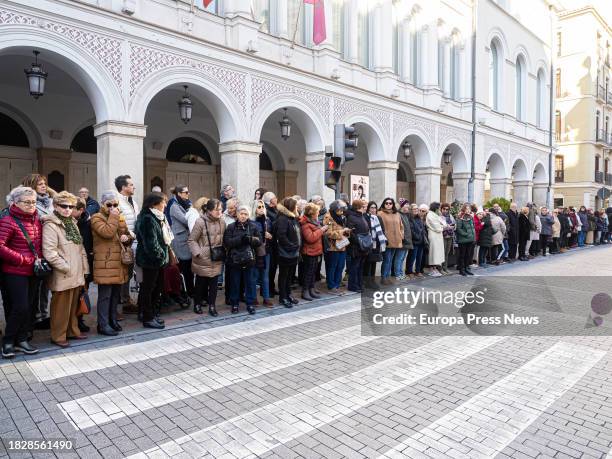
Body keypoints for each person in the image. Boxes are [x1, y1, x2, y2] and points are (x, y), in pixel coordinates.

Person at [42, 191, 89, 348]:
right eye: (64, 206)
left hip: (76, 271)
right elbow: (50, 252)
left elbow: (80, 248)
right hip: (63, 273)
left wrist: (84, 268)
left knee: (73, 305)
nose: (68, 209)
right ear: (55, 206)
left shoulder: (72, 223)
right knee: (60, 307)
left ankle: (72, 331)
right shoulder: (51, 225)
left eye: (71, 206)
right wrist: (67, 268)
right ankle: (58, 335)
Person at [0, 186, 42, 358]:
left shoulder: (36, 219)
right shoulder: (8, 220)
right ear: (15, 202)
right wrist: (21, 259)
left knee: (29, 307)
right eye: (27, 202)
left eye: (34, 202)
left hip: (33, 270)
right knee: (20, 306)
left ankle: (22, 340)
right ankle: (8, 342)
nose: (31, 205)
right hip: (13, 271)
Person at [91, 190, 133, 336]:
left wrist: (126, 238)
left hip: (119, 262)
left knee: (116, 294)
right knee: (105, 296)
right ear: (103, 204)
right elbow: (107, 232)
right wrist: (115, 215)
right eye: (110, 204)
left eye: (116, 204)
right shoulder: (96, 218)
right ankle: (103, 325)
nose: (113, 207)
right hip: (106, 262)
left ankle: (112, 320)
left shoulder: (119, 217)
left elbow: (128, 235)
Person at [135, 192, 170, 329]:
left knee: (155, 288)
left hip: (158, 261)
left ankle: (149, 313)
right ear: (154, 203)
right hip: (150, 260)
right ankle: (147, 318)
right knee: (148, 289)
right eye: (163, 202)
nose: (165, 204)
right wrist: (161, 255)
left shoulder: (158, 216)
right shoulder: (148, 218)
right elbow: (151, 243)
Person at [21, 174, 53, 324]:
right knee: (37, 283)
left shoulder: (51, 201)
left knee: (46, 283)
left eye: (44, 183)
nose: (43, 186)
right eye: (39, 184)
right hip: (36, 247)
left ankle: (44, 313)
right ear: (32, 186)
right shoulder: (27, 202)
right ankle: (36, 315)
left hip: (51, 245)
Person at [188, 199, 225, 316]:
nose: (219, 212)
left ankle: (212, 306)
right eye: (216, 210)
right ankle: (197, 304)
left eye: (220, 209)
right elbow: (191, 240)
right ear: (209, 210)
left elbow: (225, 239)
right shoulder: (200, 222)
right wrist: (198, 253)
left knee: (214, 285)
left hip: (217, 257)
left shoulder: (222, 222)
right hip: (202, 259)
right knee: (200, 284)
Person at [223, 205, 262, 314]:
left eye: (246, 214)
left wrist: (250, 239)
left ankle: (250, 304)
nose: (243, 216)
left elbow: (259, 241)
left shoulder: (253, 226)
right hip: (234, 260)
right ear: (237, 214)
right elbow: (227, 242)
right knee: (235, 283)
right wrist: (240, 239)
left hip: (249, 259)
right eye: (241, 214)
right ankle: (234, 304)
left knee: (249, 283)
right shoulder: (231, 227)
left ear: (248, 215)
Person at [115, 175, 139, 314]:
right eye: (130, 185)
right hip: (122, 243)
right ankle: (119, 303)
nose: (133, 187)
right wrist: (125, 236)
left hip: (132, 242)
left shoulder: (133, 202)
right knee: (121, 274)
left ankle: (126, 300)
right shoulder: (117, 202)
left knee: (128, 273)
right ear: (123, 187)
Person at [274, 198, 301, 308]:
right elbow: (281, 236)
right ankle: (283, 297)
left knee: (290, 275)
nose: (297, 207)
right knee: (284, 275)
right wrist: (291, 246)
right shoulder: (283, 219)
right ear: (291, 207)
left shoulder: (293, 218)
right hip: (285, 253)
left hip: (294, 252)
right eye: (296, 206)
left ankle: (288, 294)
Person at [168, 185, 194, 299]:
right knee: (183, 266)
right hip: (180, 240)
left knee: (188, 267)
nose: (188, 194)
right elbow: (185, 220)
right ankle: (182, 292)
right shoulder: (174, 206)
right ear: (179, 193)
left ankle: (189, 290)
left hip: (187, 239)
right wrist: (191, 211)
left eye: (188, 192)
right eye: (186, 192)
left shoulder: (186, 204)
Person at [73, 198, 93, 333]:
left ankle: (79, 320)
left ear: (81, 210)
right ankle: (73, 322)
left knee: (82, 292)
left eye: (72, 208)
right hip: (73, 263)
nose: (68, 210)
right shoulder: (68, 222)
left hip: (86, 262)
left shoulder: (88, 222)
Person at [299, 202, 326, 301]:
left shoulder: (314, 222)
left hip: (315, 251)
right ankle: (305, 291)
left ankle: (311, 288)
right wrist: (321, 230)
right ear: (312, 213)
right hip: (309, 252)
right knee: (308, 272)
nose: (318, 213)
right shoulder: (305, 224)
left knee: (313, 272)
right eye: (317, 212)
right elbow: (310, 238)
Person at [323, 200, 350, 294]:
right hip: (332, 247)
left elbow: (343, 229)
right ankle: (331, 285)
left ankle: (337, 285)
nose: (342, 212)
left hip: (342, 245)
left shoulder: (341, 217)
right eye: (340, 210)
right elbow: (328, 233)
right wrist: (342, 232)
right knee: (332, 266)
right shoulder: (328, 217)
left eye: (342, 210)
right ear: (334, 209)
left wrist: (347, 232)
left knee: (341, 266)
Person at [251, 199, 273, 306]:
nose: (261, 209)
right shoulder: (251, 221)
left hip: (266, 251)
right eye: (259, 207)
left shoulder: (267, 221)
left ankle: (266, 297)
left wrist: (270, 236)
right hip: (255, 251)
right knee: (254, 275)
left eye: (262, 207)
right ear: (254, 209)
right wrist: (262, 234)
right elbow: (252, 235)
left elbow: (273, 234)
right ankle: (253, 297)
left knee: (265, 275)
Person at [345, 199, 370, 292]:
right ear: (358, 207)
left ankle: (359, 284)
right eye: (364, 206)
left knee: (360, 266)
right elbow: (350, 233)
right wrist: (359, 241)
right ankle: (353, 286)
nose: (365, 208)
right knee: (354, 266)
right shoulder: (351, 217)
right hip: (356, 246)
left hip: (363, 246)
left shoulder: (361, 216)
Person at [377, 198, 404, 285]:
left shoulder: (397, 214)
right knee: (387, 259)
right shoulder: (380, 214)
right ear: (384, 204)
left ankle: (387, 277)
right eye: (386, 203)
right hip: (386, 240)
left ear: (393, 204)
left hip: (396, 240)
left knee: (390, 259)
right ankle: (384, 277)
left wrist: (401, 235)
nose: (388, 205)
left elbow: (401, 226)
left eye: (390, 203)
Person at [363, 201, 386, 289]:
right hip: (369, 244)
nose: (373, 209)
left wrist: (381, 241)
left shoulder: (378, 218)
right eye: (371, 207)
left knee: (374, 263)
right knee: (367, 264)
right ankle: (366, 281)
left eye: (375, 208)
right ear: (368, 208)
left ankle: (372, 281)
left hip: (377, 244)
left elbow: (382, 230)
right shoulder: (365, 217)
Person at [263, 192, 279, 296]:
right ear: (270, 202)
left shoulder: (275, 210)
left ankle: (272, 287)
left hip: (275, 243)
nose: (277, 199)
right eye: (275, 198)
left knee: (273, 267)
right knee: (270, 268)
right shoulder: (267, 212)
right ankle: (268, 289)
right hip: (270, 243)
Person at [406, 204, 427, 278]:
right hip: (414, 241)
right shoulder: (409, 218)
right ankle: (409, 271)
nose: (416, 210)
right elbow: (411, 230)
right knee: (412, 257)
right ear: (411, 210)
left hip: (421, 241)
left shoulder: (419, 218)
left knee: (419, 257)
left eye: (417, 209)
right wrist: (417, 237)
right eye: (414, 209)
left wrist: (422, 237)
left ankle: (418, 271)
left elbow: (422, 229)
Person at [425, 202, 445, 276]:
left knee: (437, 252)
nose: (439, 209)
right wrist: (443, 227)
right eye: (439, 208)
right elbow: (437, 227)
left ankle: (435, 268)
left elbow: (444, 222)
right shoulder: (430, 215)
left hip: (437, 236)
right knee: (433, 252)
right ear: (435, 208)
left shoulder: (435, 215)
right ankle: (431, 269)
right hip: (433, 235)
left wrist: (443, 225)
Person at [455, 204, 475, 276]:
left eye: (469, 209)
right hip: (463, 240)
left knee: (468, 255)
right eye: (467, 209)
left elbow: (473, 227)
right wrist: (466, 234)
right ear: (464, 209)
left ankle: (467, 268)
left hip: (470, 239)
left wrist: (472, 236)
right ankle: (461, 269)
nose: (468, 210)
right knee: (462, 255)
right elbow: (459, 229)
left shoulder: (471, 217)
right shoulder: (460, 217)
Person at [396, 199, 413, 280]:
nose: (408, 207)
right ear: (402, 206)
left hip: (407, 240)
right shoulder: (399, 214)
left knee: (403, 258)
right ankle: (397, 274)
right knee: (399, 258)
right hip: (402, 240)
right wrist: (403, 238)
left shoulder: (406, 215)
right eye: (406, 205)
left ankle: (401, 272)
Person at [440, 203, 455, 273]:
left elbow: (454, 224)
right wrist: (446, 227)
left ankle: (445, 268)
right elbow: (439, 227)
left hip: (450, 236)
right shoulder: (439, 216)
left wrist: (453, 226)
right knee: (442, 253)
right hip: (443, 236)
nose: (446, 211)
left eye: (447, 209)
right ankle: (440, 268)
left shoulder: (450, 216)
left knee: (447, 253)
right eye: (444, 209)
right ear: (441, 209)